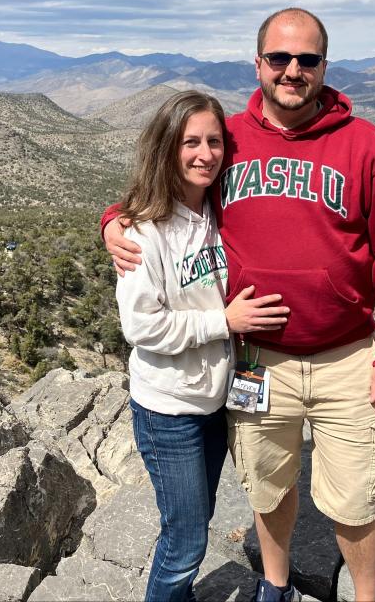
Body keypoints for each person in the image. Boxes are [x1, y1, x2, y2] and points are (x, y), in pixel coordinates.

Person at [105, 9, 375, 602]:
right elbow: (166, 191)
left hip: (345, 357)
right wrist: (112, 224)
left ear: (325, 67)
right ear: (259, 64)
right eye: (280, 58)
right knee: (268, 487)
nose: (292, 70)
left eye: (307, 60)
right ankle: (274, 587)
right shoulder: (228, 137)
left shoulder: (364, 144)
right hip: (256, 359)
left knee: (355, 498)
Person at [114, 90, 290, 602]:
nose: (205, 153)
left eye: (214, 141)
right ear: (167, 148)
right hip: (170, 411)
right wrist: (224, 322)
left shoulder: (218, 210)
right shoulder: (145, 233)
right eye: (191, 141)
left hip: (215, 401)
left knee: (197, 519)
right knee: (185, 541)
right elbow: (142, 327)